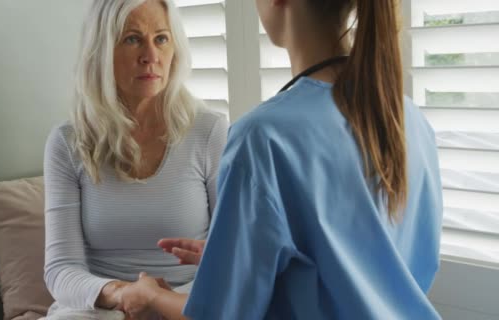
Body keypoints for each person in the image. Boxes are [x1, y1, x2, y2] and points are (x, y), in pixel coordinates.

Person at [119, 0, 443, 319]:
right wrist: (238, 259)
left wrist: (152, 296)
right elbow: (378, 269)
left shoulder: (263, 136)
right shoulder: (409, 118)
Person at [42, 0, 228, 319]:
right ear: (102, 50)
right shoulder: (68, 141)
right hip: (102, 305)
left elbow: (232, 250)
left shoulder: (209, 131)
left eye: (161, 38)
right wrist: (123, 293)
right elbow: (61, 269)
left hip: (189, 301)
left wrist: (160, 300)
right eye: (132, 39)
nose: (151, 56)